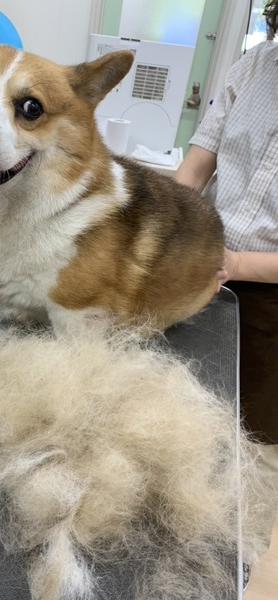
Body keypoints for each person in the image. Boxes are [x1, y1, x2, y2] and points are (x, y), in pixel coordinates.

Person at [176, 1, 278, 556]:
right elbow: (196, 168)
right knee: (184, 416)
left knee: (254, 453)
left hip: (269, 304)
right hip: (202, 268)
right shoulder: (254, 65)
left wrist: (237, 265)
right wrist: (165, 224)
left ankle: (232, 562)